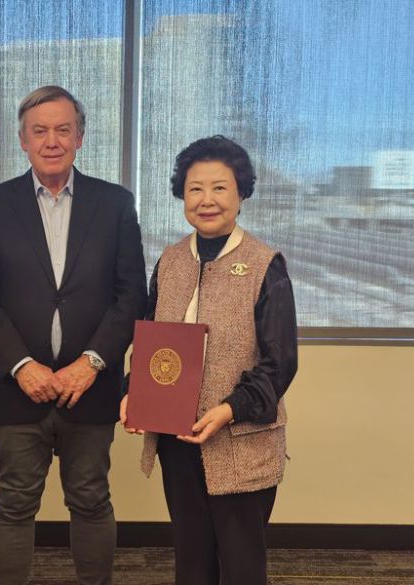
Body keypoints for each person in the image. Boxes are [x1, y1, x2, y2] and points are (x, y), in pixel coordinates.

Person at [0, 85, 147, 585]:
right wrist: (22, 366)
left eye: (63, 130)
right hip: (16, 386)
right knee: (15, 500)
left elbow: (131, 294)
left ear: (80, 137)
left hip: (91, 384)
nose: (52, 141)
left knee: (91, 498)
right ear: (22, 140)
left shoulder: (115, 204)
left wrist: (91, 363)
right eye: (39, 131)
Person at [121, 135, 298, 585]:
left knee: (241, 567)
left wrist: (229, 409)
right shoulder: (170, 260)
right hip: (177, 442)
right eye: (195, 188)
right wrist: (133, 392)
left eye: (220, 187)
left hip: (239, 440)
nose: (207, 200)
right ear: (182, 195)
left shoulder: (265, 264)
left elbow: (280, 363)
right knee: (192, 562)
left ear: (241, 194)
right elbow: (151, 342)